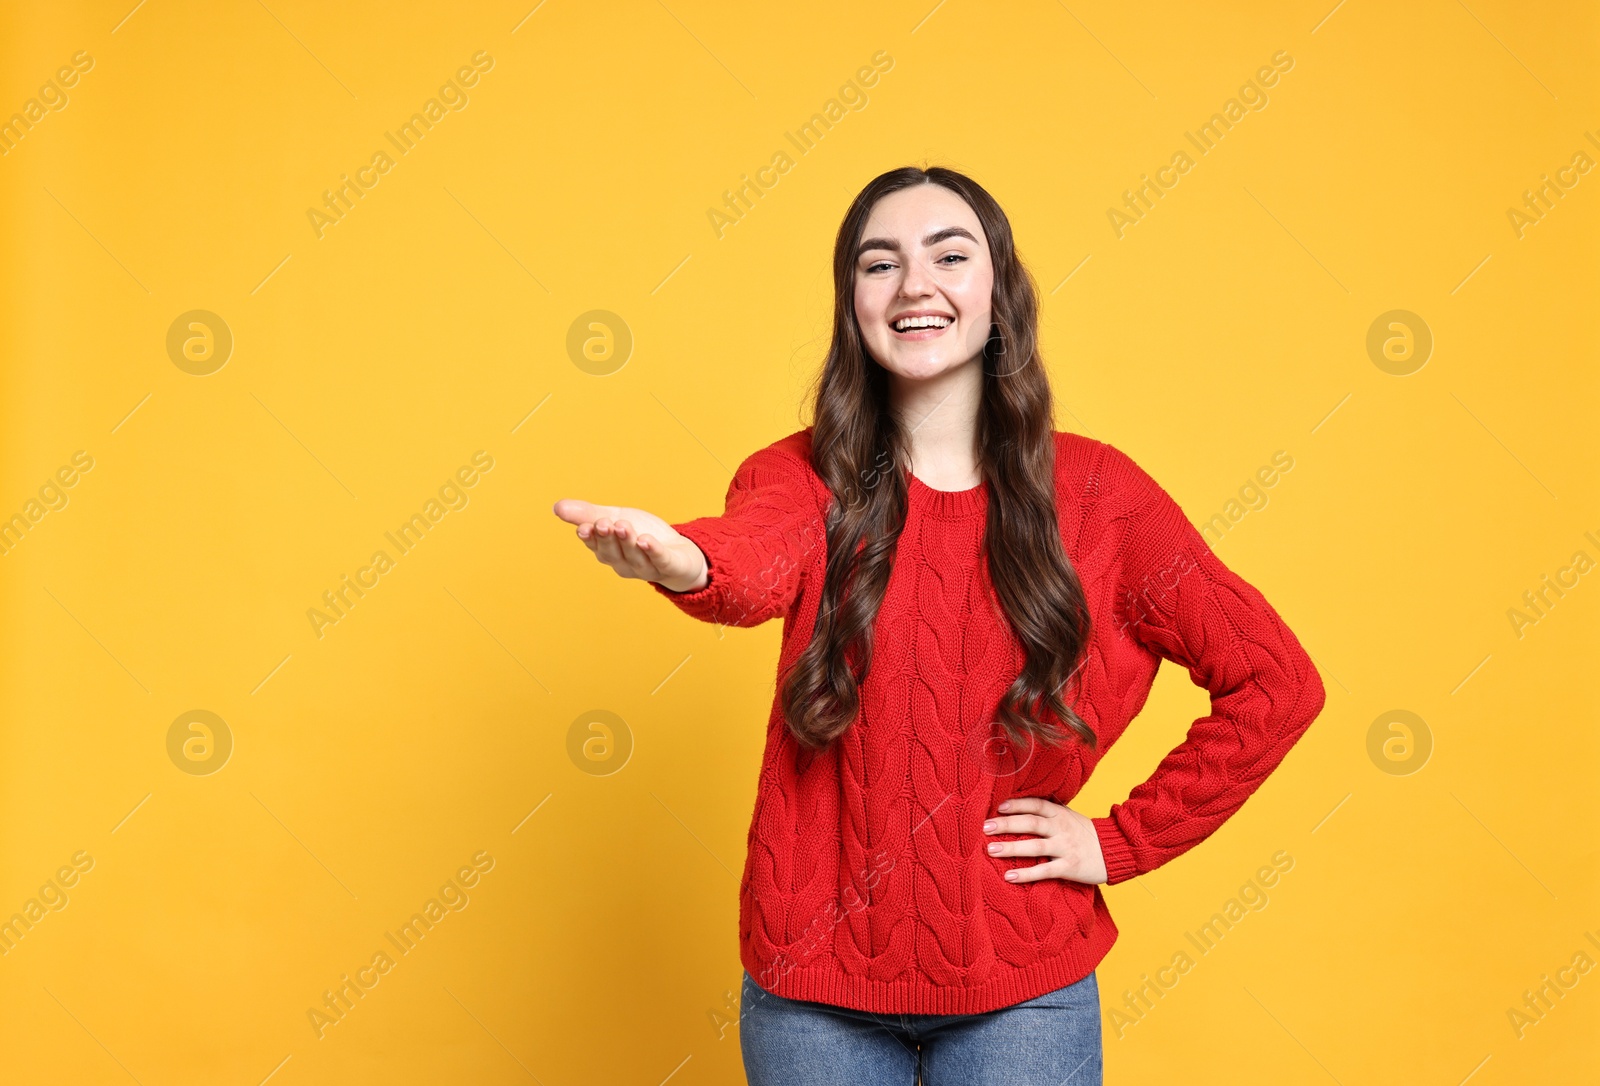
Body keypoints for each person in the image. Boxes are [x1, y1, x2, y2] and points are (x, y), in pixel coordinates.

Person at [552, 165, 1326, 1085]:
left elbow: (1277, 682)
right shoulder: (799, 474)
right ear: (854, 305)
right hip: (812, 999)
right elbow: (755, 559)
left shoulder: (1103, 496)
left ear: (998, 291)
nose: (915, 284)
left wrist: (1116, 843)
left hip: (1023, 995)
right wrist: (687, 559)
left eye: (949, 256)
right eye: (881, 264)